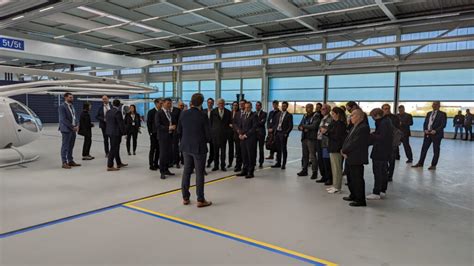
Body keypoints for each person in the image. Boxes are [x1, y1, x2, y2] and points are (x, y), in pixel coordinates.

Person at [178, 93, 212, 208]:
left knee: (186, 172)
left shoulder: (183, 114)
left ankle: (185, 198)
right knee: (199, 173)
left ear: (191, 102)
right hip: (199, 148)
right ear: (201, 103)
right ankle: (200, 199)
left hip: (186, 147)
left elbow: (179, 131)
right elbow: (208, 135)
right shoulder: (203, 115)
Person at [341, 109, 369, 207]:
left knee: (357, 179)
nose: (350, 117)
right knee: (350, 178)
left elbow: (355, 143)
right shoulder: (354, 126)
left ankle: (360, 200)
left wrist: (345, 150)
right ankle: (353, 195)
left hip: (356, 157)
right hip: (350, 156)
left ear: (358, 116)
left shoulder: (363, 127)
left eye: (352, 115)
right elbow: (348, 140)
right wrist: (343, 149)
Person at [366, 108, 393, 200]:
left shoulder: (382, 123)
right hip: (386, 150)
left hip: (380, 150)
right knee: (383, 171)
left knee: (378, 171)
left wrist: (371, 135)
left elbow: (381, 137)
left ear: (376, 115)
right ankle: (382, 190)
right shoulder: (387, 121)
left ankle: (376, 192)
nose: (372, 119)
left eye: (373, 117)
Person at [412, 101, 447, 170]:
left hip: (436, 135)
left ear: (439, 105)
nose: (433, 105)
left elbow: (443, 124)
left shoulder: (442, 114)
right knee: (424, 149)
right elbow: (425, 123)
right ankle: (420, 163)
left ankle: (433, 165)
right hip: (427, 134)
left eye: (435, 104)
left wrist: (435, 130)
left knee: (436, 150)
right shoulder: (429, 113)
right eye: (433, 104)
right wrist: (425, 129)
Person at [324, 107, 346, 193]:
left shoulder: (340, 124)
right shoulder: (334, 123)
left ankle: (337, 187)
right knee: (334, 167)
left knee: (337, 168)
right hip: (332, 147)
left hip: (336, 148)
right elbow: (330, 131)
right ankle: (335, 185)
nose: (332, 115)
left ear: (338, 114)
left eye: (333, 114)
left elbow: (337, 136)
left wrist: (326, 132)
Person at [297, 103, 320, 179]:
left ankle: (314, 172)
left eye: (309, 107)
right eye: (306, 108)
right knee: (305, 155)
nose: (307, 109)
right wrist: (303, 127)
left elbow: (314, 126)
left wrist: (304, 126)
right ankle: (304, 170)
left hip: (311, 139)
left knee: (312, 156)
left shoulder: (316, 115)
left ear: (312, 108)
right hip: (304, 138)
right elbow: (299, 126)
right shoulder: (304, 115)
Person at [156, 98, 177, 179]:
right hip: (162, 137)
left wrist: (174, 127)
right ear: (163, 104)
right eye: (168, 103)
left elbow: (174, 122)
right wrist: (168, 127)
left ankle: (166, 169)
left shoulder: (171, 113)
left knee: (168, 154)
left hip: (170, 136)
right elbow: (158, 125)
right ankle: (162, 171)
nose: (170, 105)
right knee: (163, 154)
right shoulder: (159, 113)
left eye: (170, 103)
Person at [58, 92, 81, 169]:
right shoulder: (62, 107)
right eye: (70, 97)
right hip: (66, 129)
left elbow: (75, 116)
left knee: (71, 146)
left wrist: (77, 125)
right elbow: (63, 119)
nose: (72, 98)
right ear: (65, 97)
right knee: (65, 146)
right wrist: (72, 127)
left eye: (72, 97)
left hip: (73, 129)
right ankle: (64, 162)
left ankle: (70, 161)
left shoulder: (72, 106)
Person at [237, 102, 258, 178]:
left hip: (250, 139)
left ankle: (250, 172)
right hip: (243, 139)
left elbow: (254, 127)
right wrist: (240, 134)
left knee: (250, 155)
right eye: (245, 107)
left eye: (248, 107)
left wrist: (246, 135)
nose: (246, 108)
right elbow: (240, 126)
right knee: (244, 155)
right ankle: (244, 170)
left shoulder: (254, 116)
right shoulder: (243, 115)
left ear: (251, 107)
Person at [210, 98, 231, 171]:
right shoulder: (213, 112)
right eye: (220, 103)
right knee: (215, 152)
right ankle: (216, 166)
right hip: (215, 135)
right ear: (217, 104)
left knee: (223, 152)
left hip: (224, 135)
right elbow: (210, 123)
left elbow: (230, 123)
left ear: (224, 104)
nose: (221, 105)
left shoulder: (228, 112)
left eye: (222, 103)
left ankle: (223, 166)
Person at [106, 99, 127, 171]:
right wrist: (124, 133)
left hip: (109, 132)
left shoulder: (108, 111)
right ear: (119, 105)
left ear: (112, 104)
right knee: (113, 149)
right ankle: (110, 165)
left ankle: (118, 163)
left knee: (116, 148)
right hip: (116, 133)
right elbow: (120, 124)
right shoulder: (118, 112)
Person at [271, 101, 293, 170]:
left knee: (283, 149)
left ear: (287, 107)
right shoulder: (278, 114)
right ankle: (278, 163)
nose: (283, 107)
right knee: (278, 149)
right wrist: (274, 130)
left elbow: (290, 126)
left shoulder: (289, 115)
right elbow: (275, 123)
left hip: (283, 134)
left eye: (284, 106)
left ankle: (283, 164)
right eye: (282, 106)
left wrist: (286, 133)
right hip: (277, 133)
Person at [382, 104, 400, 182]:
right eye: (385, 109)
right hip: (383, 142)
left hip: (392, 141)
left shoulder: (395, 117)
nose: (387, 110)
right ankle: (385, 173)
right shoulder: (381, 117)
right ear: (382, 109)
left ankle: (390, 176)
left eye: (388, 108)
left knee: (392, 159)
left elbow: (396, 129)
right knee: (384, 159)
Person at [316, 104, 333, 185]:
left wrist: (324, 130)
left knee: (326, 160)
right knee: (320, 160)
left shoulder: (330, 118)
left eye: (324, 109)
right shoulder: (322, 118)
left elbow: (325, 130)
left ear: (328, 110)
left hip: (325, 143)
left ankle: (329, 178)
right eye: (322, 109)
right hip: (319, 141)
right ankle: (323, 176)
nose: (322, 110)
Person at [232, 99, 247, 172]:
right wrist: (238, 130)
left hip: (245, 136)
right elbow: (234, 123)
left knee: (244, 152)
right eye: (240, 104)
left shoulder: (248, 113)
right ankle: (238, 166)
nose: (241, 105)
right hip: (237, 135)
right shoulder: (237, 113)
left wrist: (243, 133)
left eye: (243, 104)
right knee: (238, 152)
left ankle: (245, 166)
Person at [147, 98, 162, 171]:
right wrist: (150, 132)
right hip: (153, 133)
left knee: (159, 149)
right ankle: (151, 164)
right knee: (153, 149)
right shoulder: (151, 112)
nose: (161, 104)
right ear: (156, 103)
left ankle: (156, 163)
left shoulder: (162, 111)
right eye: (160, 103)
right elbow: (148, 123)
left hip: (160, 133)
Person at [203, 98, 215, 168]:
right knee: (203, 149)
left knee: (212, 149)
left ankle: (209, 161)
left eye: (211, 103)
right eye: (208, 102)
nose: (210, 104)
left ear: (213, 103)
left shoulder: (215, 111)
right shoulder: (203, 111)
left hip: (212, 133)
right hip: (204, 133)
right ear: (207, 103)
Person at [255, 101, 267, 168]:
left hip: (261, 133)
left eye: (258, 105)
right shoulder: (253, 113)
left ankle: (261, 162)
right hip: (254, 133)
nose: (257, 107)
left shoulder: (264, 114)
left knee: (261, 149)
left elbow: (262, 123)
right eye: (256, 105)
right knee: (253, 149)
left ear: (261, 106)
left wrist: (256, 123)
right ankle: (253, 161)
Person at [172, 101, 183, 168]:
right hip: (175, 131)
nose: (181, 107)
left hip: (182, 131)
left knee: (182, 146)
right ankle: (176, 161)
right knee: (175, 147)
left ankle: (182, 159)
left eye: (182, 105)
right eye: (180, 105)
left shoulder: (182, 112)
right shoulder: (175, 111)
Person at [228, 101, 239, 168]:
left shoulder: (239, 113)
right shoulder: (229, 113)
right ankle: (230, 162)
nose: (235, 106)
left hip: (237, 133)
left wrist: (234, 126)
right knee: (230, 148)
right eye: (234, 105)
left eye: (236, 105)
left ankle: (238, 163)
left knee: (237, 149)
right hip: (230, 133)